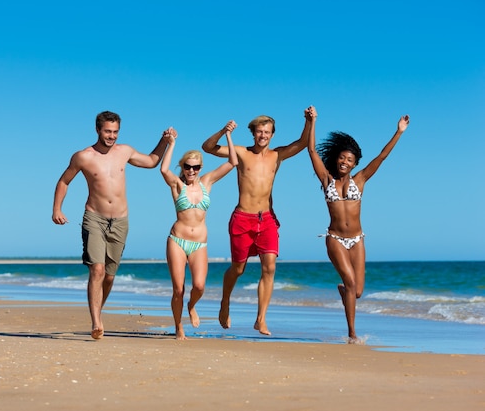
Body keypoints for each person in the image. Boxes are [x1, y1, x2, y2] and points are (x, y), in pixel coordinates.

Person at [52, 110, 175, 340]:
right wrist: (57, 209)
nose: (112, 136)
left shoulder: (124, 151)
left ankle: (98, 310)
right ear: (97, 130)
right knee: (96, 270)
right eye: (108, 131)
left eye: (115, 132)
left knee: (109, 276)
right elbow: (64, 181)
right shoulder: (83, 156)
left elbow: (151, 161)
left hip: (120, 221)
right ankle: (96, 321)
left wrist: (165, 142)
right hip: (94, 218)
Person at [202, 107, 316, 335]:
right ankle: (225, 302)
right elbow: (208, 148)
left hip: (267, 219)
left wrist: (309, 121)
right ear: (253, 133)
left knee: (270, 267)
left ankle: (261, 319)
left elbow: (303, 143)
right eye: (259, 132)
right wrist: (224, 131)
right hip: (242, 218)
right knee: (238, 268)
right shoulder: (242, 152)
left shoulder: (277, 155)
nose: (263, 135)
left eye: (267, 132)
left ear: (272, 135)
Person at [308, 113, 410, 343]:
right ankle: (352, 333)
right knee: (351, 282)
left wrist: (399, 131)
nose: (344, 162)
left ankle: (344, 292)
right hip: (334, 238)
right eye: (342, 158)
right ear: (337, 159)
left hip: (357, 239)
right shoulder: (326, 180)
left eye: (350, 160)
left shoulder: (360, 180)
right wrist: (311, 122)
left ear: (355, 163)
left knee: (357, 292)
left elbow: (382, 157)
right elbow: (312, 151)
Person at [160, 122, 239, 339]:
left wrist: (226, 134)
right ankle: (178, 327)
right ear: (183, 167)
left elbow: (233, 162)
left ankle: (192, 306)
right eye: (187, 167)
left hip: (199, 244)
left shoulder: (207, 182)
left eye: (195, 167)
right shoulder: (178, 185)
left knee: (199, 286)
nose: (191, 171)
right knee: (178, 289)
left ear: (201, 168)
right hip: (177, 241)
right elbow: (164, 169)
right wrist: (171, 143)